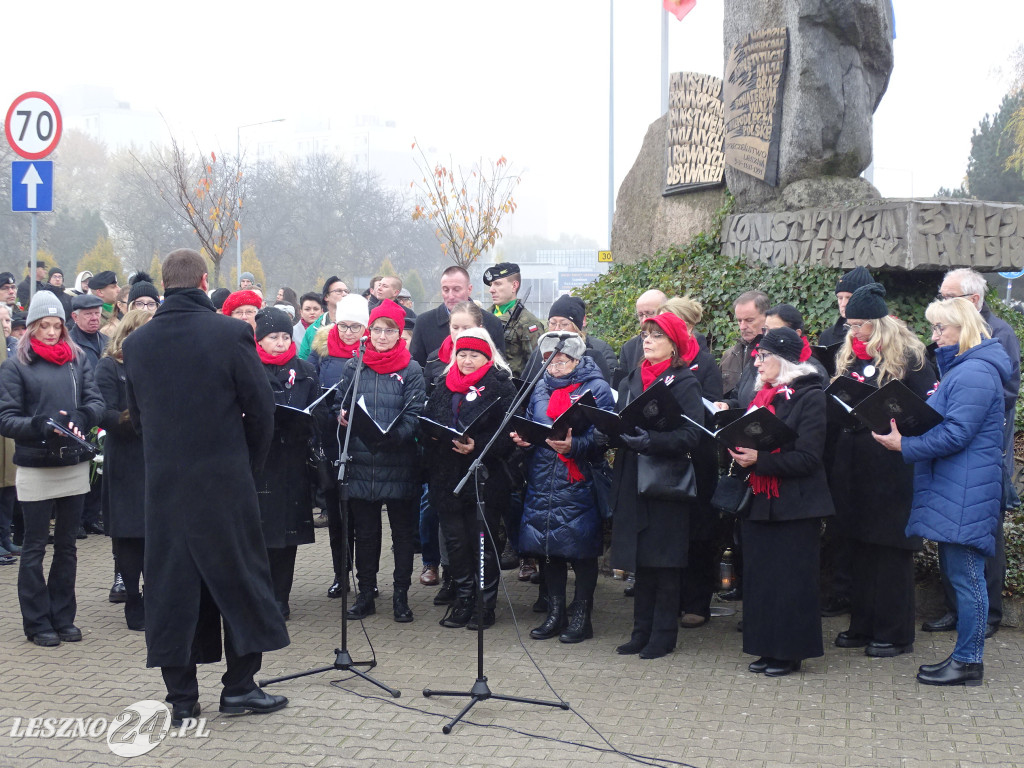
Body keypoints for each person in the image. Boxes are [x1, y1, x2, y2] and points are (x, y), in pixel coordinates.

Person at [122, 248, 288, 725]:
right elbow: (261, 411)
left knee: (172, 588)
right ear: (201, 280)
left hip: (167, 488)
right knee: (238, 580)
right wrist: (247, 466)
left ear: (164, 283)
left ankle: (181, 700)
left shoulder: (137, 345)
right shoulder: (231, 332)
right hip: (224, 483)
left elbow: (137, 417)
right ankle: (239, 689)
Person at [874, 298, 1012, 686]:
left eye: (941, 329)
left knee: (967, 578)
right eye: (933, 328)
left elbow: (956, 433)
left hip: (967, 487)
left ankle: (969, 661)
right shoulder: (966, 369)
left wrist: (905, 446)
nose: (934, 337)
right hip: (961, 486)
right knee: (962, 576)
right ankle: (966, 658)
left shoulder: (974, 373)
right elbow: (941, 418)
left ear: (963, 328)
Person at [829, 283, 935, 659]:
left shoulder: (910, 357)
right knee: (858, 547)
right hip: (855, 464)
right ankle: (863, 624)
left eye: (860, 325)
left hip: (891, 464)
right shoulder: (850, 357)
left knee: (889, 552)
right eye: (850, 325)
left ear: (880, 322)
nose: (854, 331)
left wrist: (898, 421)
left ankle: (895, 632)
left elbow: (928, 411)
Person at [921, 268, 1021, 638]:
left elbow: (1006, 393)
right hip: (960, 456)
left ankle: (986, 615)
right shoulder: (951, 338)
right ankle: (957, 610)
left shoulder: (998, 335)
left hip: (984, 453)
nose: (943, 302)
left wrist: (957, 406)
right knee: (955, 540)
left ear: (974, 301)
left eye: (950, 297)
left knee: (982, 535)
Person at [0, 290, 104, 646]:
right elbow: (7, 418)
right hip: (35, 466)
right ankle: (36, 622)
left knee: (67, 547)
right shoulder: (16, 366)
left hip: (72, 463)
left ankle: (63, 616)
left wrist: (82, 416)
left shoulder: (77, 360)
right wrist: (39, 425)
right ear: (30, 328)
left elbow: (96, 401)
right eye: (43, 326)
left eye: (56, 325)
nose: (50, 332)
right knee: (33, 547)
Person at [729, 327, 834, 677]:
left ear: (784, 360)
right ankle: (765, 647)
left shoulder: (811, 396)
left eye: (763, 357)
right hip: (760, 499)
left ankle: (789, 652)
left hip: (796, 505)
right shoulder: (764, 396)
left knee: (791, 581)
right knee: (760, 578)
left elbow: (809, 458)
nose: (757, 364)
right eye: (757, 356)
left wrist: (760, 459)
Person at [605, 312, 704, 659]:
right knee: (642, 561)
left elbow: (693, 435)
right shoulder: (631, 379)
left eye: (656, 336)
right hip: (632, 476)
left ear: (674, 346)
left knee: (665, 562)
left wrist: (652, 441)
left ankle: (663, 635)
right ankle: (640, 631)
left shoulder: (685, 383)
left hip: (665, 482)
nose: (647, 341)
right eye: (645, 334)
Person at [513, 332, 614, 642]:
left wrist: (575, 446)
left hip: (579, 479)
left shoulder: (596, 387)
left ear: (576, 360)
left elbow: (606, 435)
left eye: (561, 360)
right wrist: (524, 440)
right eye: (548, 360)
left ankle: (582, 615)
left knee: (582, 550)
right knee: (549, 548)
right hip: (543, 479)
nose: (554, 366)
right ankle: (556, 613)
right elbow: (531, 420)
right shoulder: (540, 387)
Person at [336, 299, 424, 623]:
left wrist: (395, 436)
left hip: (398, 460)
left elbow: (416, 414)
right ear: (368, 331)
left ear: (400, 333)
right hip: (361, 460)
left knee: (402, 534)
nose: (382, 335)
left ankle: (401, 596)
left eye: (390, 330)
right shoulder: (354, 365)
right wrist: (342, 417)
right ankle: (366, 593)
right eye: (377, 329)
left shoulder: (411, 369)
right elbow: (340, 402)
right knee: (366, 533)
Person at [424, 327, 517, 630]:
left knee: (482, 544)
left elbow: (509, 434)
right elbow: (427, 421)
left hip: (483, 478)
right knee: (456, 543)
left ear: (486, 357)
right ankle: (463, 599)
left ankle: (484, 604)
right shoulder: (443, 385)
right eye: (461, 354)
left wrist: (478, 445)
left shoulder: (501, 387)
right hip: (446, 476)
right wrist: (432, 432)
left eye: (473, 355)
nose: (466, 360)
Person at [656, 298, 724, 629]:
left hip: (697, 458)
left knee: (699, 531)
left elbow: (711, 405)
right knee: (670, 532)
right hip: (665, 454)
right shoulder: (654, 361)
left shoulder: (705, 362)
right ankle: (671, 599)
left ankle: (698, 601)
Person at [253, 308, 319, 620]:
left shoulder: (305, 370)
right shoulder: (249, 367)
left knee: (286, 535)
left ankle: (281, 597)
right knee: (260, 534)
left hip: (292, 460)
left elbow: (317, 410)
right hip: (259, 461)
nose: (280, 343)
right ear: (259, 340)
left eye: (284, 336)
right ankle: (260, 595)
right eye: (272, 337)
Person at [418, 300, 487, 594]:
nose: (459, 333)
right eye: (454, 327)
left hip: (476, 466)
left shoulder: (490, 366)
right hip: (443, 460)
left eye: (466, 328)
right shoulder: (436, 361)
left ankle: (476, 588)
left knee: (471, 528)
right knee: (442, 521)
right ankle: (448, 575)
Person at [95, 309, 154, 631]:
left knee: (154, 536)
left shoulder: (159, 366)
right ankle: (133, 599)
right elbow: (106, 415)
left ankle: (154, 596)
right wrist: (142, 415)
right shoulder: (108, 367)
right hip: (126, 463)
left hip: (154, 460)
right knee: (129, 536)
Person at [308, 293, 369, 598]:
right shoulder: (320, 350)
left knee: (362, 516)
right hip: (330, 439)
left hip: (362, 439)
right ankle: (339, 574)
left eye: (355, 327)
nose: (347, 332)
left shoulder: (371, 351)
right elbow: (309, 388)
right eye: (343, 325)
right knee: (336, 514)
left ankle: (366, 579)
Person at [68, 294, 109, 539]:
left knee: (99, 465)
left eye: (97, 313)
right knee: (82, 467)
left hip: (103, 408)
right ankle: (77, 519)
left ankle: (92, 517)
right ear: (75, 316)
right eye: (88, 314)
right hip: (82, 409)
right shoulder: (71, 343)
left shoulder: (106, 341)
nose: (94, 318)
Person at [409, 266, 506, 368]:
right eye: (446, 290)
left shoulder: (492, 323)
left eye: (456, 289)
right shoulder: (424, 323)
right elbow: (417, 369)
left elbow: (499, 366)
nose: (450, 296)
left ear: (469, 289)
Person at [520, 295, 615, 382]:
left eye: (564, 324)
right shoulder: (540, 352)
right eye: (552, 323)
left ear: (580, 324)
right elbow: (525, 387)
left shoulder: (600, 350)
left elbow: (610, 387)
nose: (557, 329)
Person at [484, 262, 545, 378]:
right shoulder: (482, 317)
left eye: (497, 284)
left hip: (513, 390)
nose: (491, 290)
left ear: (514, 286)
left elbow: (536, 366)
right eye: (491, 285)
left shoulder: (528, 323)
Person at [720, 290, 769, 399]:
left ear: (767, 317)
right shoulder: (728, 356)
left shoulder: (776, 357)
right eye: (739, 320)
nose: (742, 327)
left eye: (749, 320)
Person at [614, 289, 667, 386]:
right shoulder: (628, 349)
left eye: (650, 313)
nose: (645, 320)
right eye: (641, 315)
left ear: (665, 311)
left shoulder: (681, 341)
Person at [818, 267, 874, 347]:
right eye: (840, 298)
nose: (843, 304)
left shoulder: (888, 334)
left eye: (849, 298)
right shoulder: (827, 336)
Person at [298, 277, 350, 360]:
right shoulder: (313, 329)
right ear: (326, 297)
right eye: (339, 291)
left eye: (346, 291)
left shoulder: (356, 325)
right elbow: (304, 360)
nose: (344, 294)